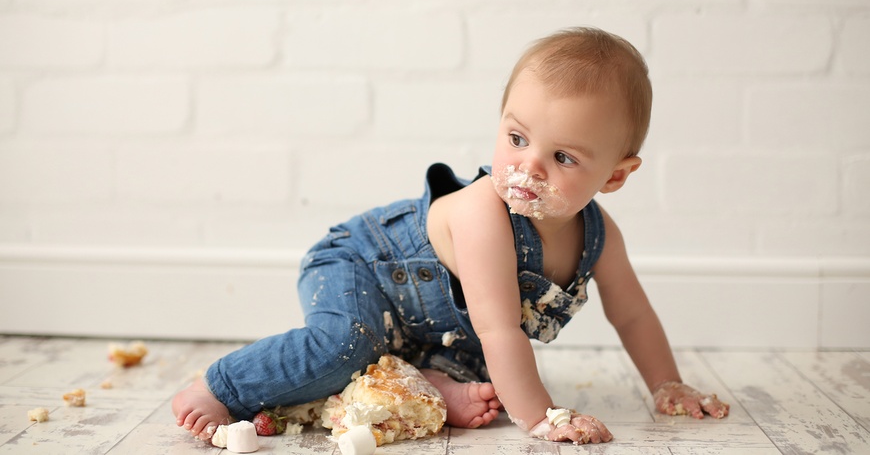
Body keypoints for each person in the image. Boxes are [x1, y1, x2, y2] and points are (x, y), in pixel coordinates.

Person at [172, 26, 729, 445]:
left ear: (614, 175)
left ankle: (431, 384)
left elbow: (632, 314)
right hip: (363, 267)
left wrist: (667, 383)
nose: (527, 168)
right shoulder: (484, 214)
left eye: (561, 156)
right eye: (516, 138)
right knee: (347, 347)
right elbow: (499, 327)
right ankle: (222, 386)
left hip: (441, 330)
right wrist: (540, 417)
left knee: (487, 377)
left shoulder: (600, 236)